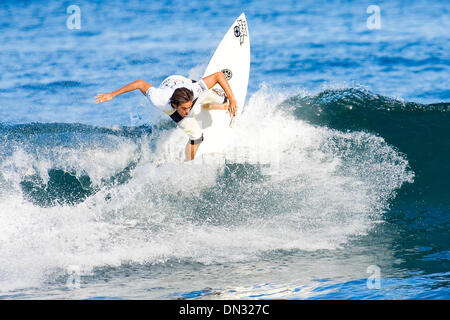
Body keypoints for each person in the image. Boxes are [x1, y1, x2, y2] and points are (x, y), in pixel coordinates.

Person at [95, 72, 237, 161]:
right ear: (175, 106)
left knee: (221, 98)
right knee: (196, 136)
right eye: (184, 109)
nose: (187, 112)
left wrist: (233, 99)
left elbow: (219, 75)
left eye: (189, 107)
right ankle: (188, 162)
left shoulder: (193, 91)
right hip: (168, 87)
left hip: (183, 83)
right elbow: (140, 84)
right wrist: (112, 95)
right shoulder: (159, 99)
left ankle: (213, 101)